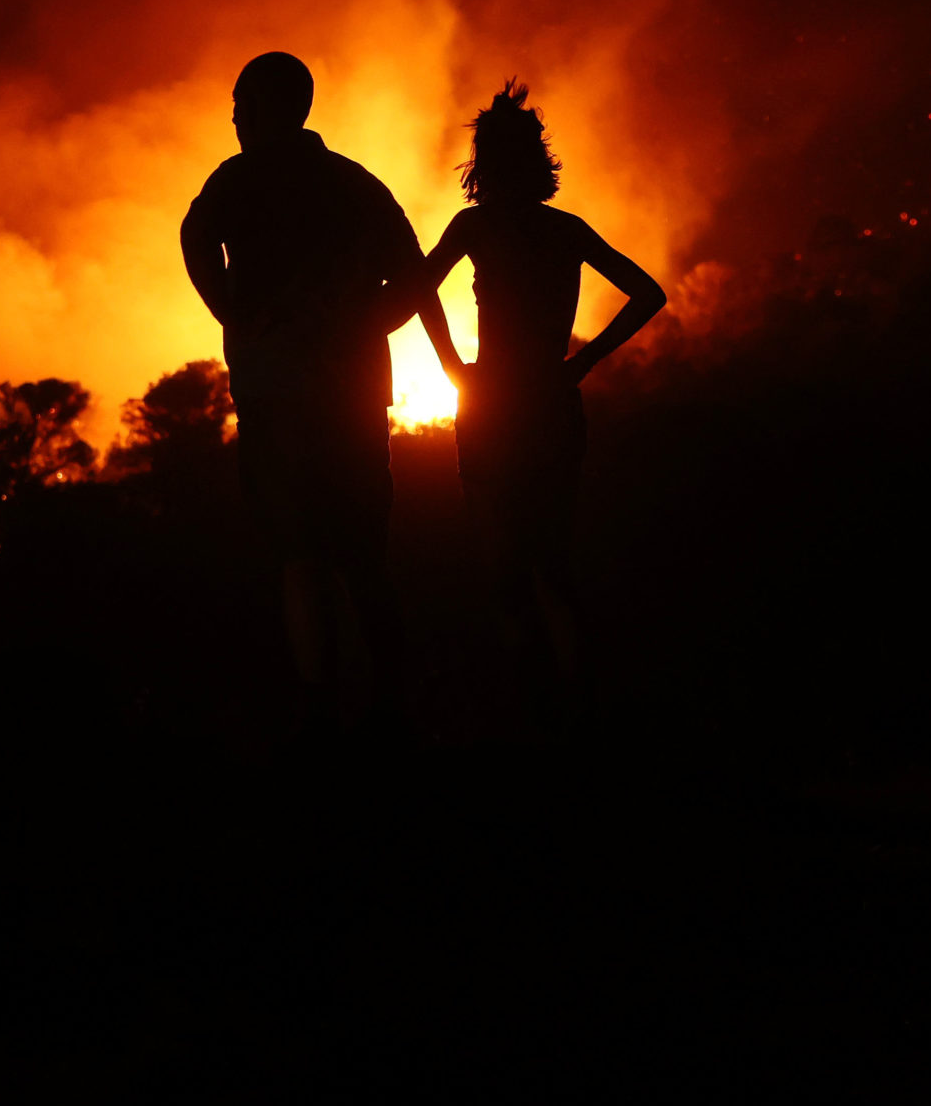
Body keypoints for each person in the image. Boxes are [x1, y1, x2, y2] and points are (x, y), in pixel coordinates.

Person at [180, 52, 428, 722]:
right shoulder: (353, 182)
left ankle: (321, 711)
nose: (235, 119)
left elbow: (194, 237)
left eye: (242, 106)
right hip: (353, 395)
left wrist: (231, 311)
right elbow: (413, 271)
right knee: (364, 554)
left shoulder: (238, 180)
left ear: (267, 108)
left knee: (299, 553)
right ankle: (390, 705)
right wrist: (368, 324)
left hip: (275, 395)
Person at [411, 82, 666, 695]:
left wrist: (452, 365)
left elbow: (418, 289)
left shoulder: (475, 226)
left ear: (482, 163)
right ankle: (575, 695)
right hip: (551, 401)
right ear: (538, 158)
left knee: (504, 568)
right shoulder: (565, 230)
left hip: (491, 404)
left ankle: (534, 697)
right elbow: (648, 294)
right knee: (552, 561)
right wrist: (583, 362)